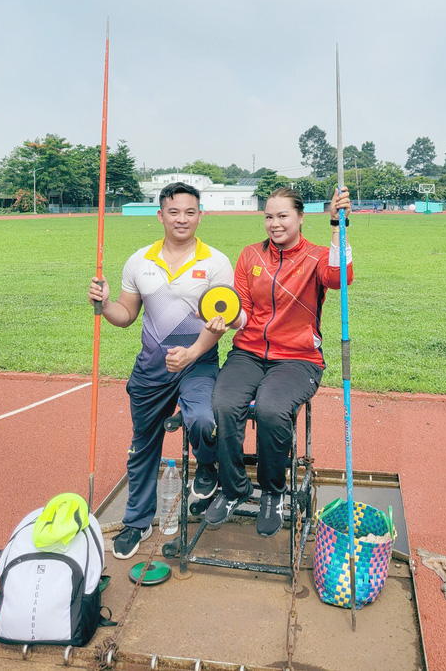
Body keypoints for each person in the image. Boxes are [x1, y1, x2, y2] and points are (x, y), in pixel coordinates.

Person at [88, 182, 234, 559]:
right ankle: (137, 522)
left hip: (198, 362)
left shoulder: (216, 262)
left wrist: (194, 351)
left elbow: (223, 318)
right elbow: (126, 314)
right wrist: (104, 305)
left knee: (202, 419)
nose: (182, 219)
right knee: (142, 447)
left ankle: (207, 469)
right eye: (174, 211)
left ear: (200, 215)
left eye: (190, 212)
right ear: (161, 215)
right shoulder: (139, 261)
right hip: (151, 369)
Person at [205, 184, 353, 537]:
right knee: (224, 404)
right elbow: (242, 310)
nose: (274, 223)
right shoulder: (250, 255)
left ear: (301, 218)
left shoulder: (316, 256)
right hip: (248, 353)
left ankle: (273, 492)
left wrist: (338, 225)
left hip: (298, 360)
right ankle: (233, 488)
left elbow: (340, 278)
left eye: (283, 216)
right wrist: (227, 319)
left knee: (272, 409)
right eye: (269, 216)